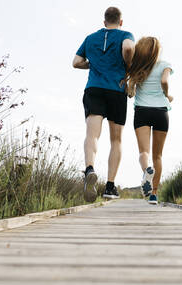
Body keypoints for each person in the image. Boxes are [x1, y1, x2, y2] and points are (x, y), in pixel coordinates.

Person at [72, 7, 135, 202]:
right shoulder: (126, 34)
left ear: (104, 21)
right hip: (117, 90)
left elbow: (76, 62)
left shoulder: (91, 38)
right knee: (116, 140)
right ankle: (109, 186)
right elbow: (129, 48)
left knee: (92, 134)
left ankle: (89, 168)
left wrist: (93, 64)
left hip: (94, 89)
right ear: (121, 21)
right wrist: (128, 68)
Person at [125, 37, 173, 205]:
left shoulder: (137, 66)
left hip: (142, 111)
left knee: (143, 153)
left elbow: (130, 92)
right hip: (161, 112)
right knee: (158, 155)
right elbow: (164, 81)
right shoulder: (165, 65)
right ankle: (154, 194)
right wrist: (167, 95)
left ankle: (147, 170)